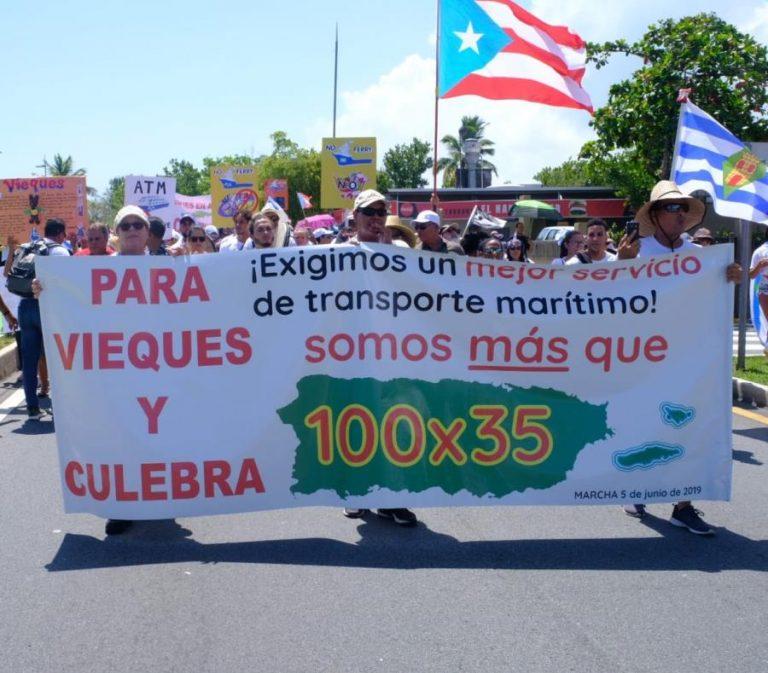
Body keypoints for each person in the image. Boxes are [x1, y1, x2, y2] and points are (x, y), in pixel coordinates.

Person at [618, 180, 741, 535]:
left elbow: (715, 294)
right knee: (643, 425)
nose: (680, 214)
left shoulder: (700, 255)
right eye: (672, 207)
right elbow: (605, 297)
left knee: (689, 428)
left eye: (683, 207)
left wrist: (730, 276)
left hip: (688, 358)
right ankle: (636, 489)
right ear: (655, 214)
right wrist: (621, 266)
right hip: (643, 357)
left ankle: (683, 506)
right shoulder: (637, 251)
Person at [33, 205, 155, 536]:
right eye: (126, 225)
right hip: (115, 372)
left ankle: (161, 498)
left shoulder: (169, 267)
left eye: (139, 224)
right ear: (117, 232)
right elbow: (71, 302)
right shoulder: (96, 271)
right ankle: (121, 506)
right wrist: (46, 291)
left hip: (159, 371)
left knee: (156, 436)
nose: (132, 229)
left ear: (148, 232)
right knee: (120, 435)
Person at [341, 189, 417, 527]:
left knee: (395, 426)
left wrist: (388, 256)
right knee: (356, 425)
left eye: (380, 212)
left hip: (394, 354)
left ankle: (393, 498)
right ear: (355, 217)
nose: (375, 218)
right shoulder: (339, 252)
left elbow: (416, 292)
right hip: (351, 355)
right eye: (368, 212)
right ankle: (357, 492)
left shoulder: (401, 251)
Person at [17, 218, 70, 419]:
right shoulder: (60, 251)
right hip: (48, 307)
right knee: (58, 358)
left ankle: (32, 408)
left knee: (29, 360)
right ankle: (60, 407)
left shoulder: (27, 247)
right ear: (60, 233)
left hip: (25, 306)